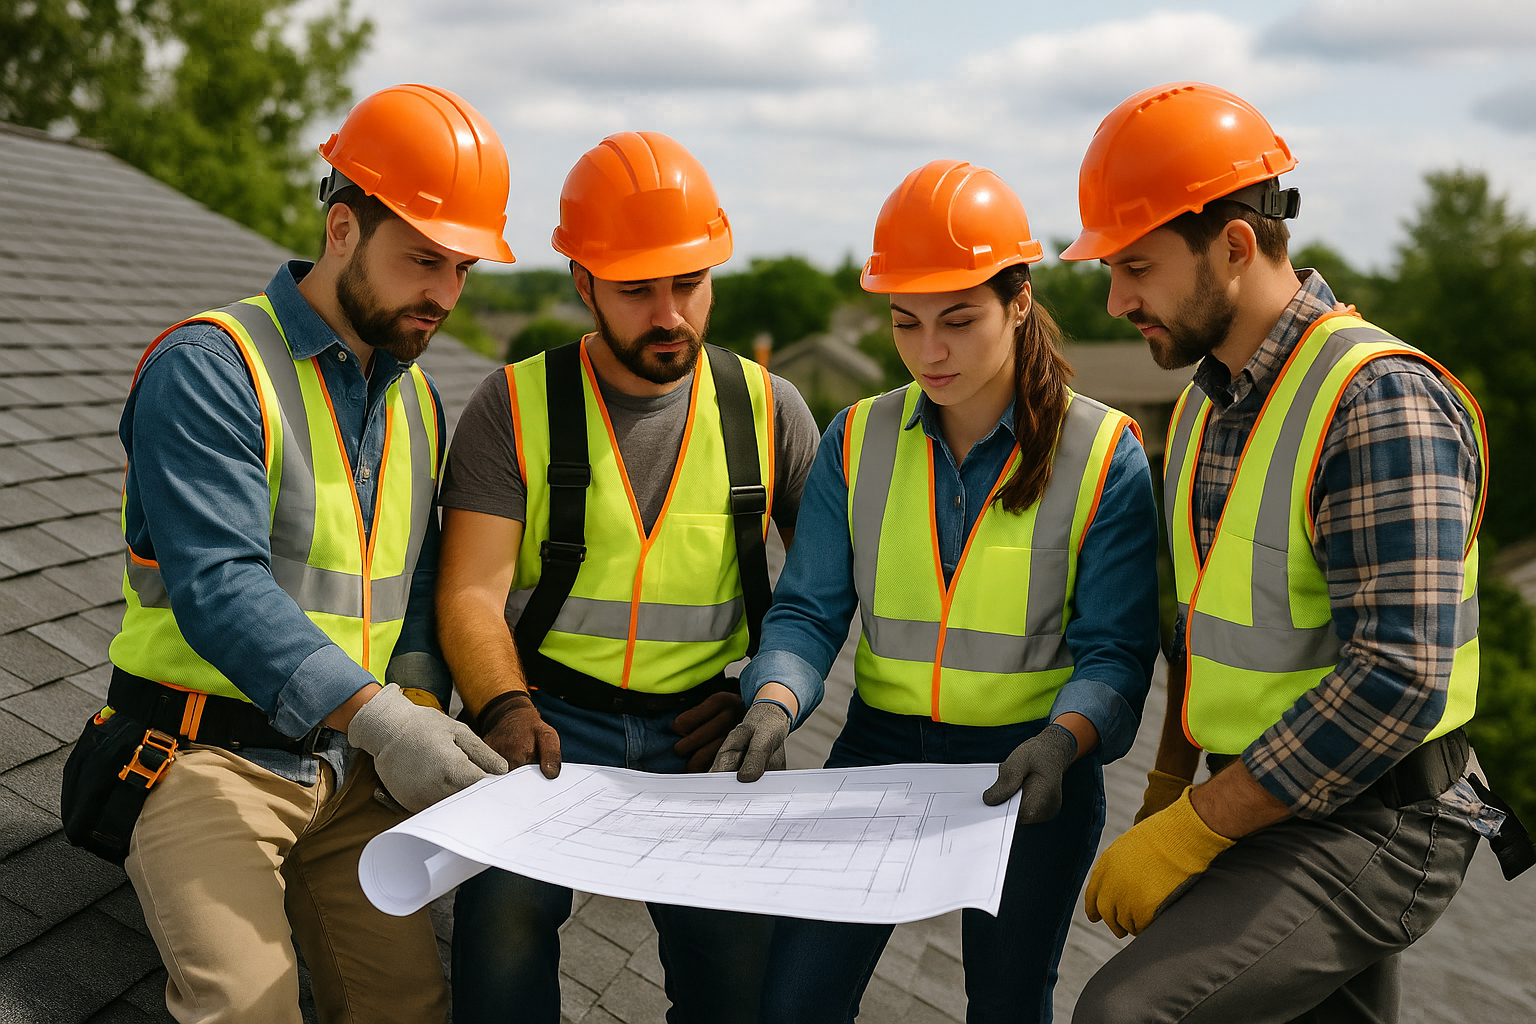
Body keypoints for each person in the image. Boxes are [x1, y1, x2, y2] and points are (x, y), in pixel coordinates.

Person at [1063, 82, 1524, 1023]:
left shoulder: (1377, 402)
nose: (1115, 300)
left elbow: (1398, 679)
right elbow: (1208, 631)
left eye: (1138, 267)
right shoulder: (1204, 405)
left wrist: (1195, 828)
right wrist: (1166, 786)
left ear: (1234, 244)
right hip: (1271, 795)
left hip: (1383, 822)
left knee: (1128, 1014)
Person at [66, 84, 514, 1024]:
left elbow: (420, 584)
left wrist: (421, 710)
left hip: (348, 773)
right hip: (202, 754)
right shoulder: (213, 367)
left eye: (464, 268)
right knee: (248, 1007)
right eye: (424, 259)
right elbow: (220, 588)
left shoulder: (416, 403)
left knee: (410, 1007)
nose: (445, 294)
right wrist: (387, 723)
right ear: (342, 228)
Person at [712, 159, 1160, 1023]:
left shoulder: (1105, 455)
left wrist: (1067, 740)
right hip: (880, 754)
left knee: (1005, 1003)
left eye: (958, 320)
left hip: (1036, 769)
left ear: (1019, 300)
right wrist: (772, 700)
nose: (930, 351)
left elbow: (1117, 652)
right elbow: (808, 612)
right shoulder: (858, 438)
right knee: (794, 1001)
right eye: (906, 323)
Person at [435, 130, 822, 1024]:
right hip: (547, 722)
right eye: (638, 289)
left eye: (688, 283)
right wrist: (503, 710)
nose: (670, 313)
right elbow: (469, 595)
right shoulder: (515, 406)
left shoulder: (770, 410)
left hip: (704, 730)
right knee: (500, 926)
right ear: (583, 284)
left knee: (742, 983)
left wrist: (767, 696)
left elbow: (822, 598)